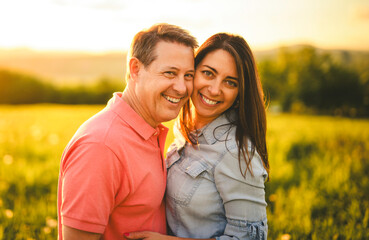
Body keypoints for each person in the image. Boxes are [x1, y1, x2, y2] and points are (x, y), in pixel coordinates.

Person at [57, 23, 198, 240]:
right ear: (135, 69)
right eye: (170, 73)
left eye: (188, 75)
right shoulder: (101, 146)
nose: (181, 88)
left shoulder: (147, 129)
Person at [125, 33, 270, 240]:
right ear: (192, 74)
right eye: (208, 73)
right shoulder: (183, 130)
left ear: (240, 93)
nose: (214, 89)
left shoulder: (235, 151)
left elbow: (251, 238)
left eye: (230, 82)